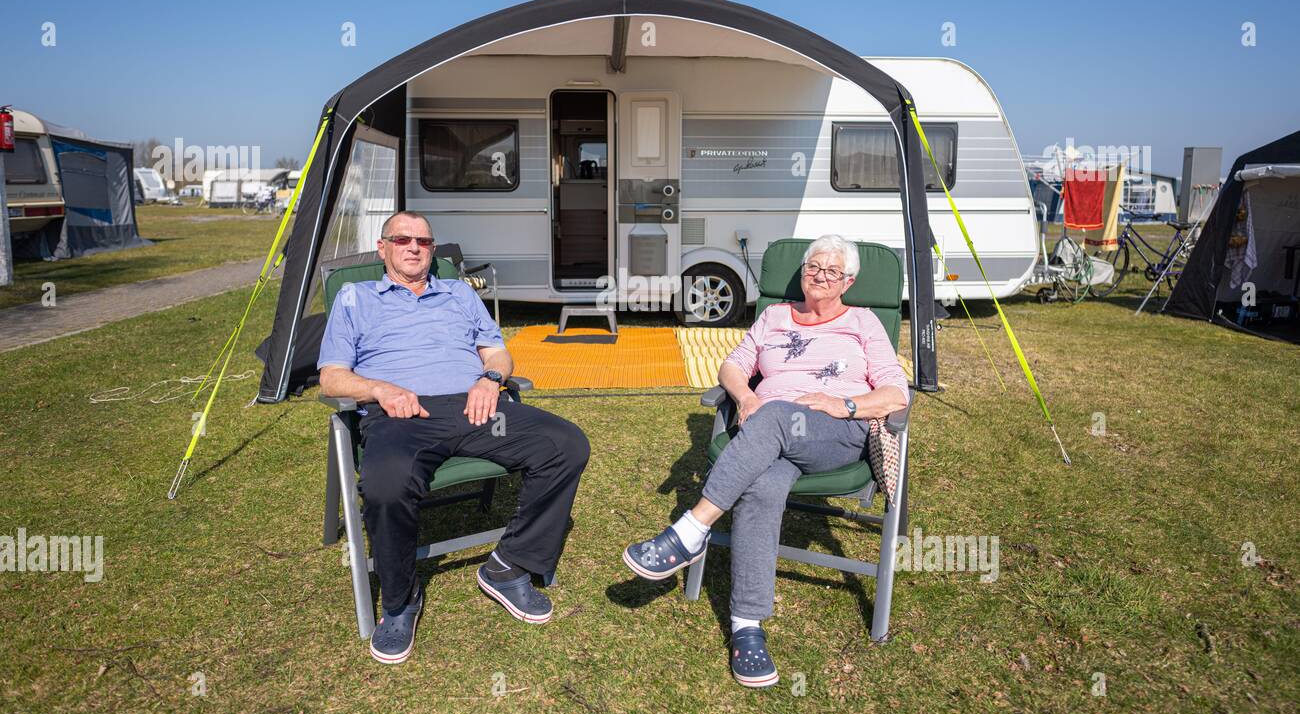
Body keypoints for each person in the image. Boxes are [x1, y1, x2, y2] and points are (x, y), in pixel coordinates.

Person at [622, 234, 909, 687]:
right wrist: (745, 395)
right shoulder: (775, 316)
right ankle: (747, 626)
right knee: (763, 483)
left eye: (832, 271)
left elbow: (896, 392)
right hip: (770, 434)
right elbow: (732, 366)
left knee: (776, 417)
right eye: (814, 267)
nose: (820, 276)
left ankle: (691, 529)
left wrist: (847, 406)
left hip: (831, 435)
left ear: (848, 281)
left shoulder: (865, 322)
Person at [318, 211, 590, 664]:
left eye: (424, 241)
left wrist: (489, 379)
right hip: (402, 416)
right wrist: (379, 390)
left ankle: (509, 565)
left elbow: (498, 353)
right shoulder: (355, 298)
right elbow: (331, 378)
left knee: (565, 444)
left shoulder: (459, 293)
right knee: (387, 484)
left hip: (475, 409)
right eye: (402, 239)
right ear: (382, 247)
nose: (413, 248)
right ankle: (401, 602)